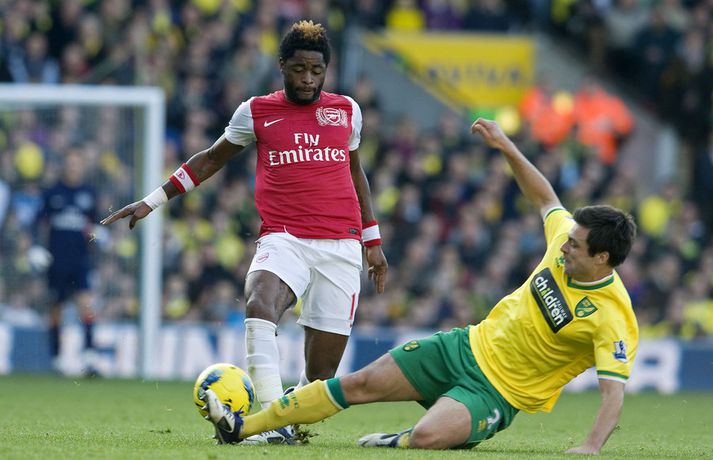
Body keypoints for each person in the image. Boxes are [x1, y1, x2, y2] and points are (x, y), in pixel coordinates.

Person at [200, 118, 638, 454]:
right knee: (357, 384)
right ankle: (244, 428)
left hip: (496, 393)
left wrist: (591, 446)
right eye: (568, 238)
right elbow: (545, 198)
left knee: (428, 438)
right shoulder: (564, 240)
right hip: (462, 347)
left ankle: (400, 440)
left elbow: (613, 393)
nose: (565, 246)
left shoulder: (612, 316)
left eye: (576, 245)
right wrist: (506, 145)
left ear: (602, 258)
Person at [101, 20, 388, 444]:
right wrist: (153, 200)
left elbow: (355, 172)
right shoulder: (256, 111)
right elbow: (210, 159)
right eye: (299, 69)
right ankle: (273, 424)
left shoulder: (347, 110)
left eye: (316, 71)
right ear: (281, 66)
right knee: (259, 301)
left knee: (320, 377)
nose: (308, 79)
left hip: (341, 244)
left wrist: (372, 240)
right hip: (284, 237)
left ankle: (285, 416)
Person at [34, 147, 99, 376]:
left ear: (82, 166)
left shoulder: (89, 193)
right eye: (70, 162)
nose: (73, 167)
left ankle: (89, 355)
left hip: (80, 260)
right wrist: (36, 247)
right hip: (57, 261)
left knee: (86, 303)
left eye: (76, 163)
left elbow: (95, 225)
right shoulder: (52, 193)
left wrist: (99, 236)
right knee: (56, 309)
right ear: (64, 165)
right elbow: (38, 222)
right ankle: (56, 357)